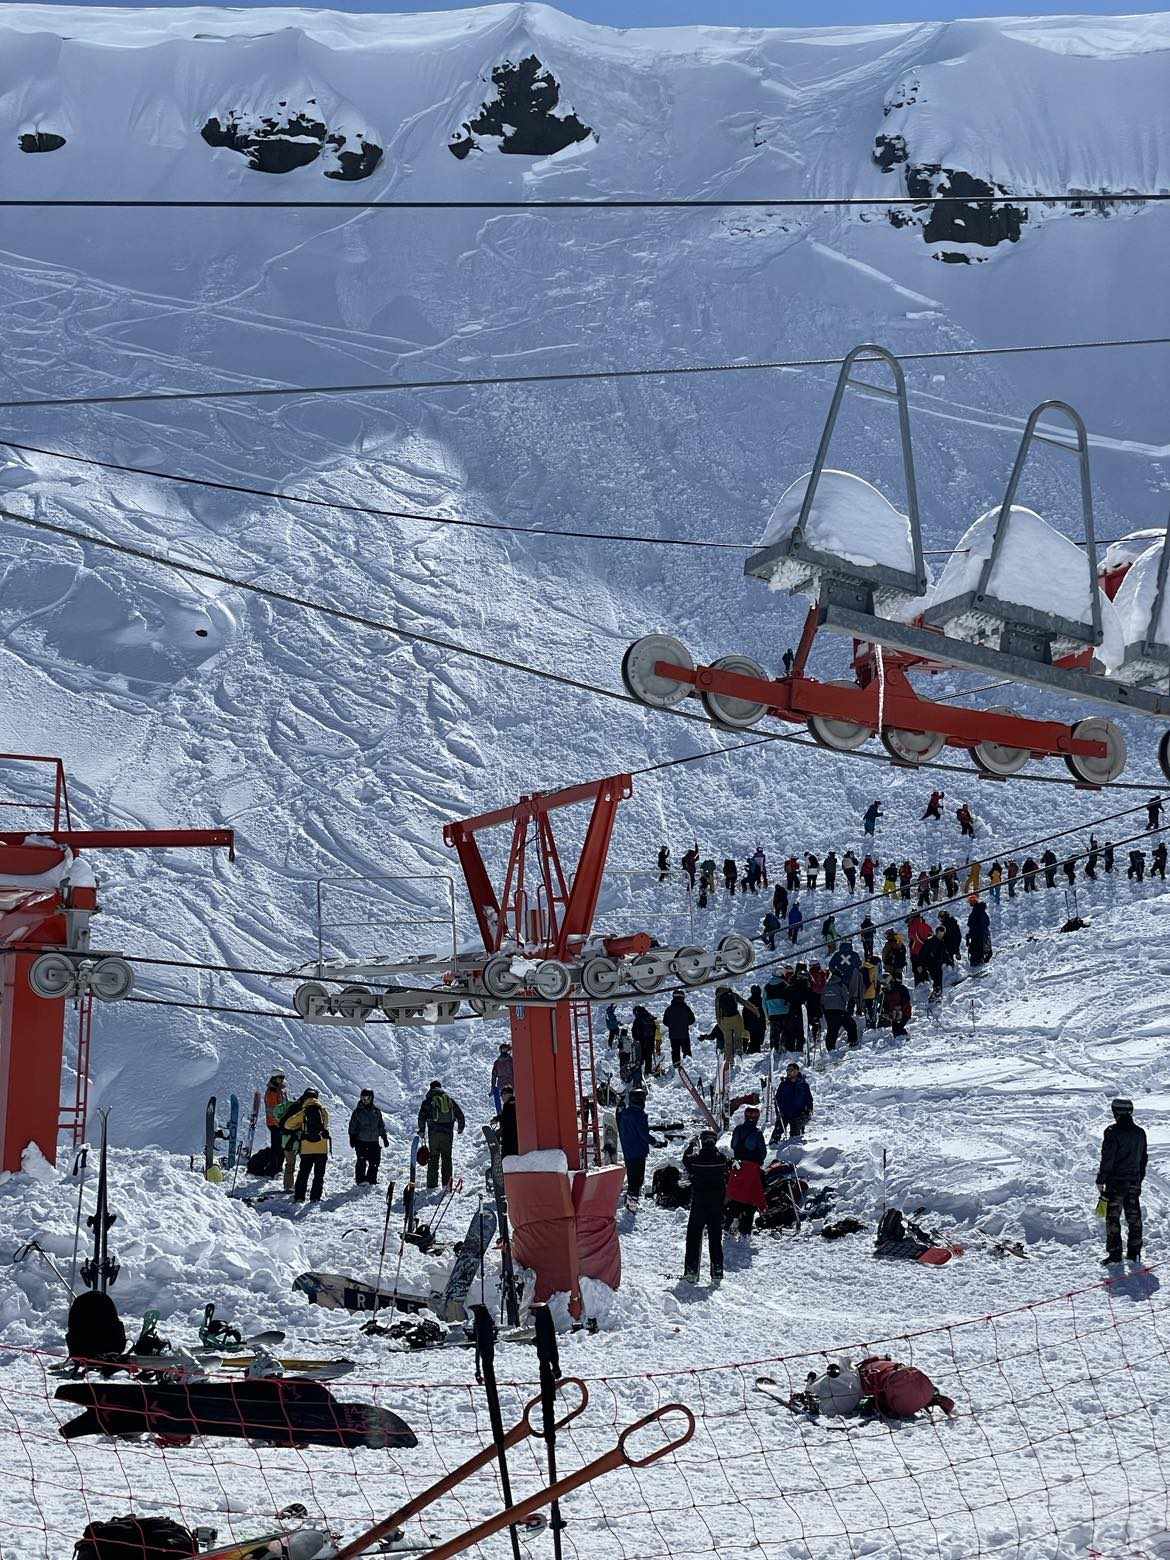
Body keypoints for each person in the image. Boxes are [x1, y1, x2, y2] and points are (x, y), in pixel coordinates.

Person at [1097, 1098, 1147, 1265]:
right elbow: (1143, 1159)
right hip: (1133, 1181)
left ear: (1116, 1112)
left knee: (1113, 1218)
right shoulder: (1140, 1133)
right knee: (1134, 1218)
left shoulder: (1112, 1132)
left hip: (1115, 1183)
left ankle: (1115, 1254)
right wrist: (1139, 1179)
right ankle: (1134, 1253)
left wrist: (1101, 1179)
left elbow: (1108, 1159)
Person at [682, 1130, 729, 1283]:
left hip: (699, 1202)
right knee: (715, 1237)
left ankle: (691, 1270)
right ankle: (717, 1270)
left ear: (702, 1142)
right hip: (716, 1204)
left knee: (694, 1235)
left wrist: (690, 1146)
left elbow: (685, 1160)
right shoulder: (721, 1159)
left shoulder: (695, 1160)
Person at [283, 1088, 330, 1204]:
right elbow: (325, 1125)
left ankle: (299, 1196)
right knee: (319, 1175)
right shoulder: (323, 1111)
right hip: (322, 1148)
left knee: (303, 1174)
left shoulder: (303, 1112)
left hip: (307, 1148)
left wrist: (299, 1127)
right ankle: (315, 1197)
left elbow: (287, 1125)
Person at [417, 1080, 465, 1190]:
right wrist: (460, 1127)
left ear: (431, 1088)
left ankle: (432, 1185)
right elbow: (460, 1114)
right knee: (447, 1158)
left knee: (433, 1158)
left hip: (434, 1134)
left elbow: (421, 1117)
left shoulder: (428, 1101)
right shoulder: (448, 1099)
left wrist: (422, 1130)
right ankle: (447, 1184)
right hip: (447, 1134)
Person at [727, 1106, 768, 1235]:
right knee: (751, 1195)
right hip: (751, 1167)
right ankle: (745, 1227)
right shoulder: (757, 1133)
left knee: (735, 1192)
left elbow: (733, 1145)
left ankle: (731, 1219)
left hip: (737, 1165)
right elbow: (763, 1153)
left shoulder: (738, 1129)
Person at [618, 1089, 652, 1206]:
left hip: (628, 1151)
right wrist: (655, 1142)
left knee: (632, 1178)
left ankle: (630, 1202)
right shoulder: (639, 1115)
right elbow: (643, 1134)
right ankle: (632, 1206)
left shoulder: (624, 1113)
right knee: (638, 1179)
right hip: (638, 1151)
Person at [348, 1089, 389, 1185]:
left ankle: (371, 1179)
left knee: (374, 1161)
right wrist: (352, 1137)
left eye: (367, 1098)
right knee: (361, 1160)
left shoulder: (376, 1111)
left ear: (371, 1098)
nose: (364, 1100)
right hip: (361, 1141)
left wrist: (384, 1137)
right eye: (362, 1098)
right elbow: (352, 1125)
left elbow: (380, 1125)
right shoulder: (358, 1112)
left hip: (373, 1141)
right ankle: (360, 1180)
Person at [822, 966, 860, 1049]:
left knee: (832, 1030)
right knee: (851, 1025)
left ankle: (830, 1049)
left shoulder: (826, 986)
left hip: (828, 1012)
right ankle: (853, 1042)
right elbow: (846, 997)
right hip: (839, 1011)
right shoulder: (841, 985)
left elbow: (822, 1000)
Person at [774, 1062, 813, 1140]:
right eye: (787, 1070)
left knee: (795, 1138)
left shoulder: (803, 1084)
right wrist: (778, 1112)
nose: (788, 1072)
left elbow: (809, 1099)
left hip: (798, 1114)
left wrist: (809, 1110)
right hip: (784, 1113)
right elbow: (777, 1099)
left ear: (796, 1071)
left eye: (791, 1070)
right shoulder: (783, 1084)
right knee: (776, 1135)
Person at [662, 992, 696, 1068]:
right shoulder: (686, 1008)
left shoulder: (669, 1009)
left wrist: (671, 1026)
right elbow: (692, 1020)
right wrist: (685, 1024)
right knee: (686, 1051)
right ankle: (688, 1068)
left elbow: (665, 1021)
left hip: (673, 1035)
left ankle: (676, 1067)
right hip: (684, 1034)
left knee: (675, 1052)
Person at [715, 987, 745, 1066]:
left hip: (726, 1021)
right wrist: (755, 1011)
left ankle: (729, 1061)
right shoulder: (733, 994)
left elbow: (718, 1014)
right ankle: (739, 1052)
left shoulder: (718, 998)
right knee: (738, 1038)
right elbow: (744, 1002)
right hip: (736, 1018)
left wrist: (721, 1025)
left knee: (728, 1042)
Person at [763, 974, 790, 1049]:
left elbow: (764, 1003)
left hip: (773, 1013)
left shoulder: (767, 986)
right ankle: (784, 1047)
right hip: (785, 1012)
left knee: (774, 1033)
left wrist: (767, 1015)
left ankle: (774, 1049)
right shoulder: (785, 984)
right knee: (785, 1031)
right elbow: (790, 998)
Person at [264, 1073, 288, 1157]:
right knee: (276, 1146)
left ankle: (278, 1166)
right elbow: (273, 1109)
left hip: (281, 1122)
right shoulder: (272, 1091)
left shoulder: (281, 1090)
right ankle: (274, 1166)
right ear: (274, 1078)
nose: (282, 1079)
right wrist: (278, 1122)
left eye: (283, 1077)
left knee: (281, 1146)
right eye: (280, 1077)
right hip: (275, 1123)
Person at [632, 1005, 657, 1077]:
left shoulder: (638, 1019)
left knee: (640, 1056)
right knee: (649, 1056)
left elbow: (634, 1030)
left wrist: (636, 1039)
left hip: (642, 1041)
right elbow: (654, 1028)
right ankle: (648, 1071)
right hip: (650, 1040)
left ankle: (639, 1073)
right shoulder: (649, 1016)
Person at [967, 899, 992, 968]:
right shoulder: (982, 912)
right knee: (981, 948)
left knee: (975, 948)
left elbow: (970, 923)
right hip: (981, 934)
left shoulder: (975, 912)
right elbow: (987, 923)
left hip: (975, 934)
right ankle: (980, 961)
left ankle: (975, 962)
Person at [490, 1044, 513, 1116]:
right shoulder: (511, 1061)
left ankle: (500, 1114)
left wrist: (493, 1087)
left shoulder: (497, 1063)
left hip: (504, 1086)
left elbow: (494, 1076)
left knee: (500, 1099)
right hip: (511, 1085)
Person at [743, 986, 767, 1053]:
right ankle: (754, 1051)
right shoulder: (762, 1001)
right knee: (759, 1041)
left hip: (751, 1026)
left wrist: (745, 1025)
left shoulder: (748, 1001)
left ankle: (752, 1051)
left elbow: (744, 1014)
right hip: (761, 1025)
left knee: (754, 1039)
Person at [498, 1085, 519, 1157]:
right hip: (515, 1138)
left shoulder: (508, 1105)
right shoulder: (516, 1103)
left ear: (508, 1094)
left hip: (509, 1138)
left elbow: (506, 1119)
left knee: (507, 1157)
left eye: (503, 1095)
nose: (502, 1097)